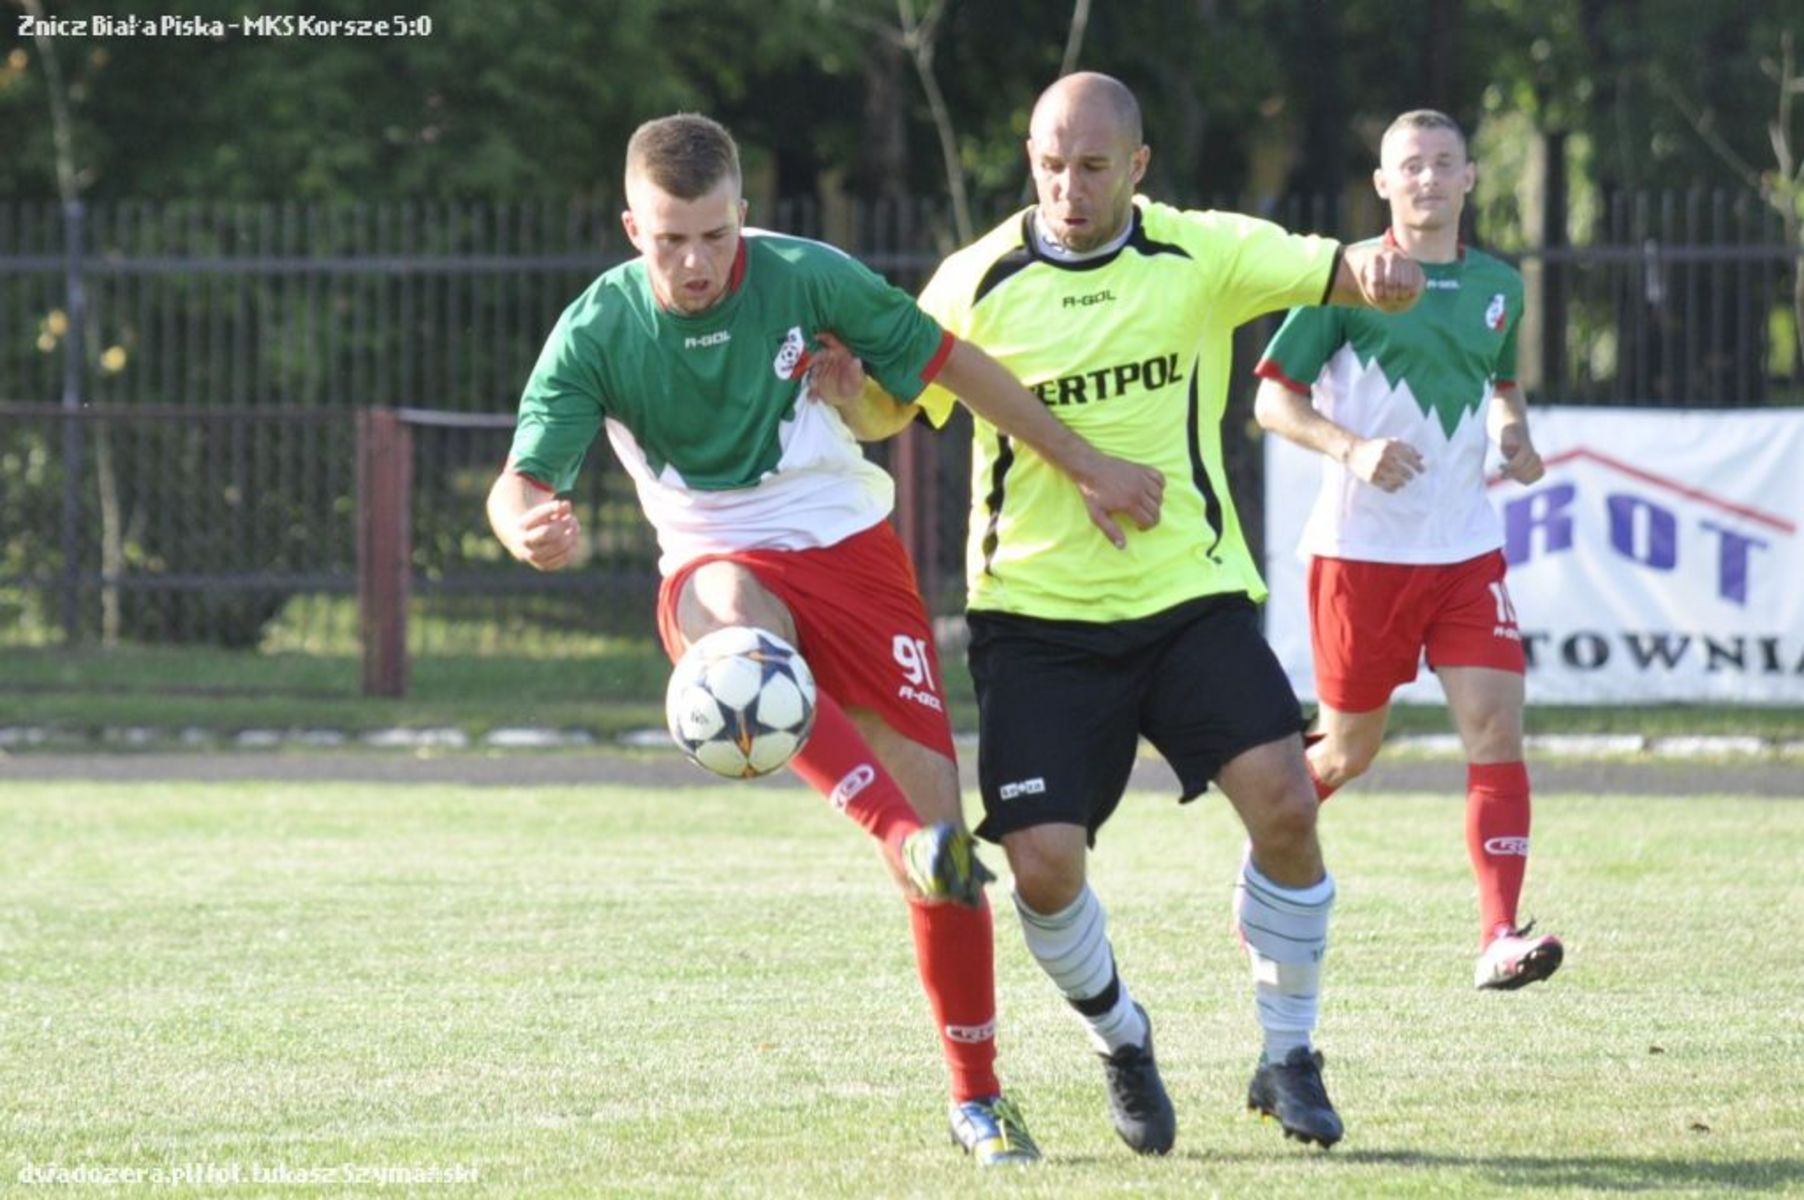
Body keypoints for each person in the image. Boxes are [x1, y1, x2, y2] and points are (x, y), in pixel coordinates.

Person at [486, 113, 1165, 1168]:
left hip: (854, 558)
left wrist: (1082, 462)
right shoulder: (595, 332)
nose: (696, 262)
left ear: (744, 217)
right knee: (731, 640)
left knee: (947, 869)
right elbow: (522, 477)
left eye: (715, 235)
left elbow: (953, 366)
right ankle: (894, 833)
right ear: (632, 228)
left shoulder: (811, 278)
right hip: (715, 563)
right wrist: (524, 523)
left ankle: (977, 1097)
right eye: (670, 240)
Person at [848, 73, 1423, 1154]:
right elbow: (894, 403)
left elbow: (1332, 265)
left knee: (1288, 806)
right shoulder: (975, 280)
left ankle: (1288, 1053)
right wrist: (847, 388)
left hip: (1189, 598)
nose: (1068, 188)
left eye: (1094, 167)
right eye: (1051, 165)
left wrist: (1377, 273)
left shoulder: (1198, 253)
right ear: (1028, 158)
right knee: (1044, 867)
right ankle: (1120, 1036)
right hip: (1033, 620)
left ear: (1138, 168)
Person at [1253, 109, 1563, 992]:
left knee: (1497, 728)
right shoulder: (1349, 280)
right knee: (1348, 752)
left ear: (1470, 177)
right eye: (1408, 166)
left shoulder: (1502, 284)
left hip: (1466, 552)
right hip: (1360, 558)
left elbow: (1501, 383)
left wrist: (1514, 436)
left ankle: (1500, 934)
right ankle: (1264, 868)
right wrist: (1352, 449)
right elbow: (1273, 401)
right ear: (1384, 184)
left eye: (1442, 163)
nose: (1427, 178)